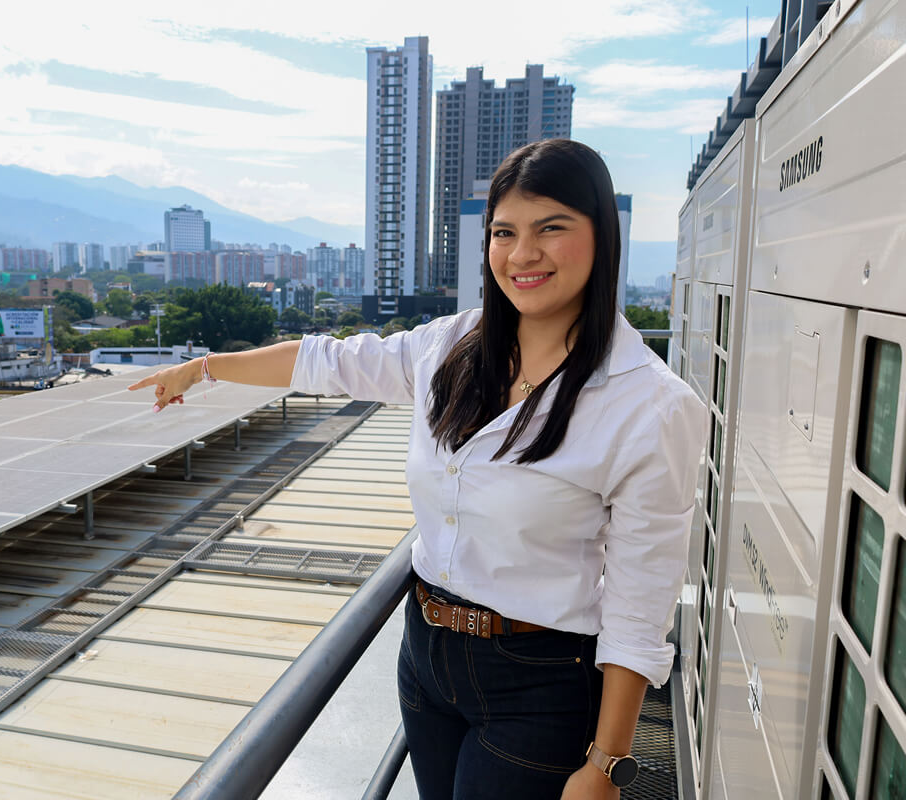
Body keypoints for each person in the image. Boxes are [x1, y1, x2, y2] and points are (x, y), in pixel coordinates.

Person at [129, 139, 707, 799]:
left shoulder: (650, 406)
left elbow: (641, 600)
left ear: (603, 236)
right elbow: (326, 361)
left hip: (539, 679)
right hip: (424, 654)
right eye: (504, 232)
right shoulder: (448, 347)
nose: (522, 254)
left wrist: (606, 765)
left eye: (552, 229)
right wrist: (204, 369)